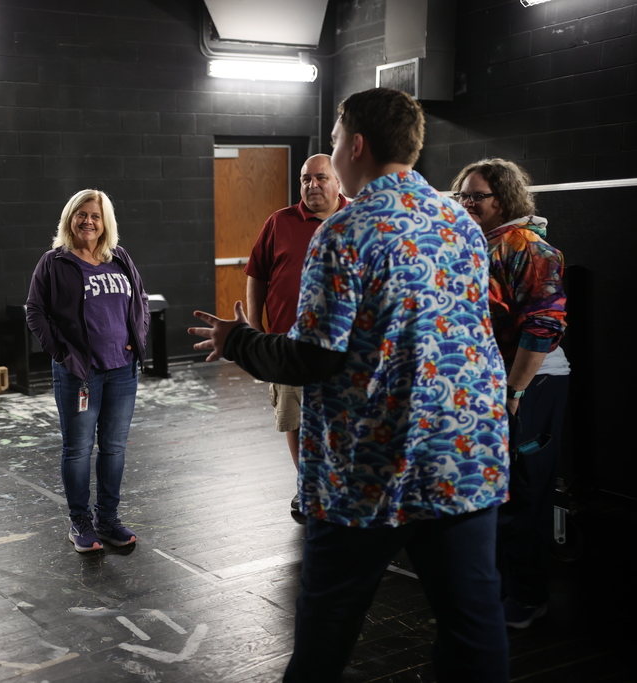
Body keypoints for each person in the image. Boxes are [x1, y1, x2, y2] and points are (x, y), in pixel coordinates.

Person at [190, 88, 511, 682]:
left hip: (370, 469)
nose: (332, 153)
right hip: (463, 457)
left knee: (327, 628)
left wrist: (236, 340)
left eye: (335, 141)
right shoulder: (461, 225)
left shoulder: (344, 231)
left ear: (356, 145)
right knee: (474, 628)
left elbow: (314, 358)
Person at [451, 158, 568, 629]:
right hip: (495, 384)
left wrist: (515, 389)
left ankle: (529, 597)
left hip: (532, 383)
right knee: (496, 495)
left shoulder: (528, 247)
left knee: (524, 494)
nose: (467, 203)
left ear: (504, 198)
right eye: (463, 195)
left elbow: (543, 327)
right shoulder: (484, 243)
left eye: (477, 195)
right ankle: (501, 591)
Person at [26, 189, 150, 553]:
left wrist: (136, 340)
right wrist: (62, 353)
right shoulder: (54, 262)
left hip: (122, 371)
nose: (88, 221)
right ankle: (80, 521)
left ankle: (107, 519)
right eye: (81, 214)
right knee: (79, 449)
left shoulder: (120, 258)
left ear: (105, 222)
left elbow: (140, 300)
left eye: (95, 216)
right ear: (70, 219)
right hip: (80, 373)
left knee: (113, 447)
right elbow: (34, 311)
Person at [244, 154, 348, 518]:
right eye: (305, 179)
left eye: (321, 177)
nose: (312, 185)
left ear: (338, 182)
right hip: (289, 347)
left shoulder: (359, 220)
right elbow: (256, 274)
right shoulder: (279, 222)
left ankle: (339, 489)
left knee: (341, 423)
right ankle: (307, 485)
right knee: (296, 420)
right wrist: (256, 334)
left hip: (345, 351)